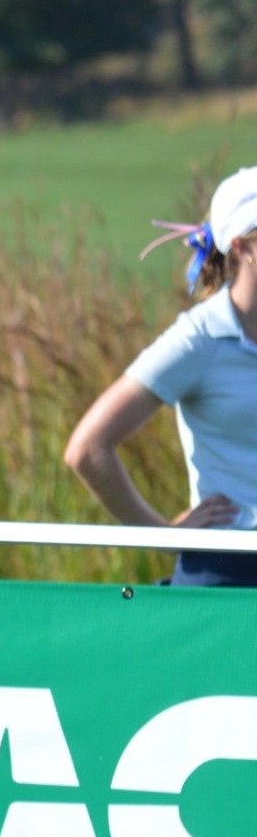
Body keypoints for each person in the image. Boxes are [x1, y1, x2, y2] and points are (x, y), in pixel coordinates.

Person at [64, 166, 257, 587]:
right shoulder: (199, 338)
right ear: (243, 248)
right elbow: (88, 448)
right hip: (226, 577)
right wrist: (163, 536)